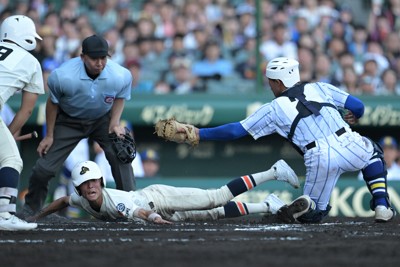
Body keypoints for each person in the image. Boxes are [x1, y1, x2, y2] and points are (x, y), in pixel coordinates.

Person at [177, 57, 395, 223]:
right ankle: (382, 205)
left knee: (314, 215)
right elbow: (358, 106)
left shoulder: (273, 108)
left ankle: (308, 206)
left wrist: (199, 134)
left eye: (271, 81)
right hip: (347, 140)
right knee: (373, 153)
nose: (270, 85)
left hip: (318, 155)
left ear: (279, 83)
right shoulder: (320, 86)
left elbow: (236, 131)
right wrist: (354, 116)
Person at [23, 34, 135, 214]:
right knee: (43, 169)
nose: (99, 63)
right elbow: (53, 104)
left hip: (101, 119)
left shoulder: (120, 75)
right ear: (82, 57)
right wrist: (50, 135)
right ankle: (31, 211)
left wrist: (114, 123)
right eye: (94, 58)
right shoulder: (62, 76)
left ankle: (131, 206)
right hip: (69, 121)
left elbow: (120, 97)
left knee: (120, 155)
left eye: (103, 58)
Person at [27, 159, 307, 224]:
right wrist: (40, 214)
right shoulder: (79, 197)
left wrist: (154, 219)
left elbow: (138, 211)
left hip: (158, 200)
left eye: (93, 183)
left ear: (101, 182)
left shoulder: (116, 200)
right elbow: (63, 200)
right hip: (158, 212)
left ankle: (273, 172)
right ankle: (269, 207)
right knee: (213, 214)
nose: (89, 187)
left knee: (217, 196)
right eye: (85, 185)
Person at [0, 15, 45, 231]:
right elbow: (27, 110)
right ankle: (4, 214)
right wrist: (9, 133)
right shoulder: (31, 62)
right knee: (11, 158)